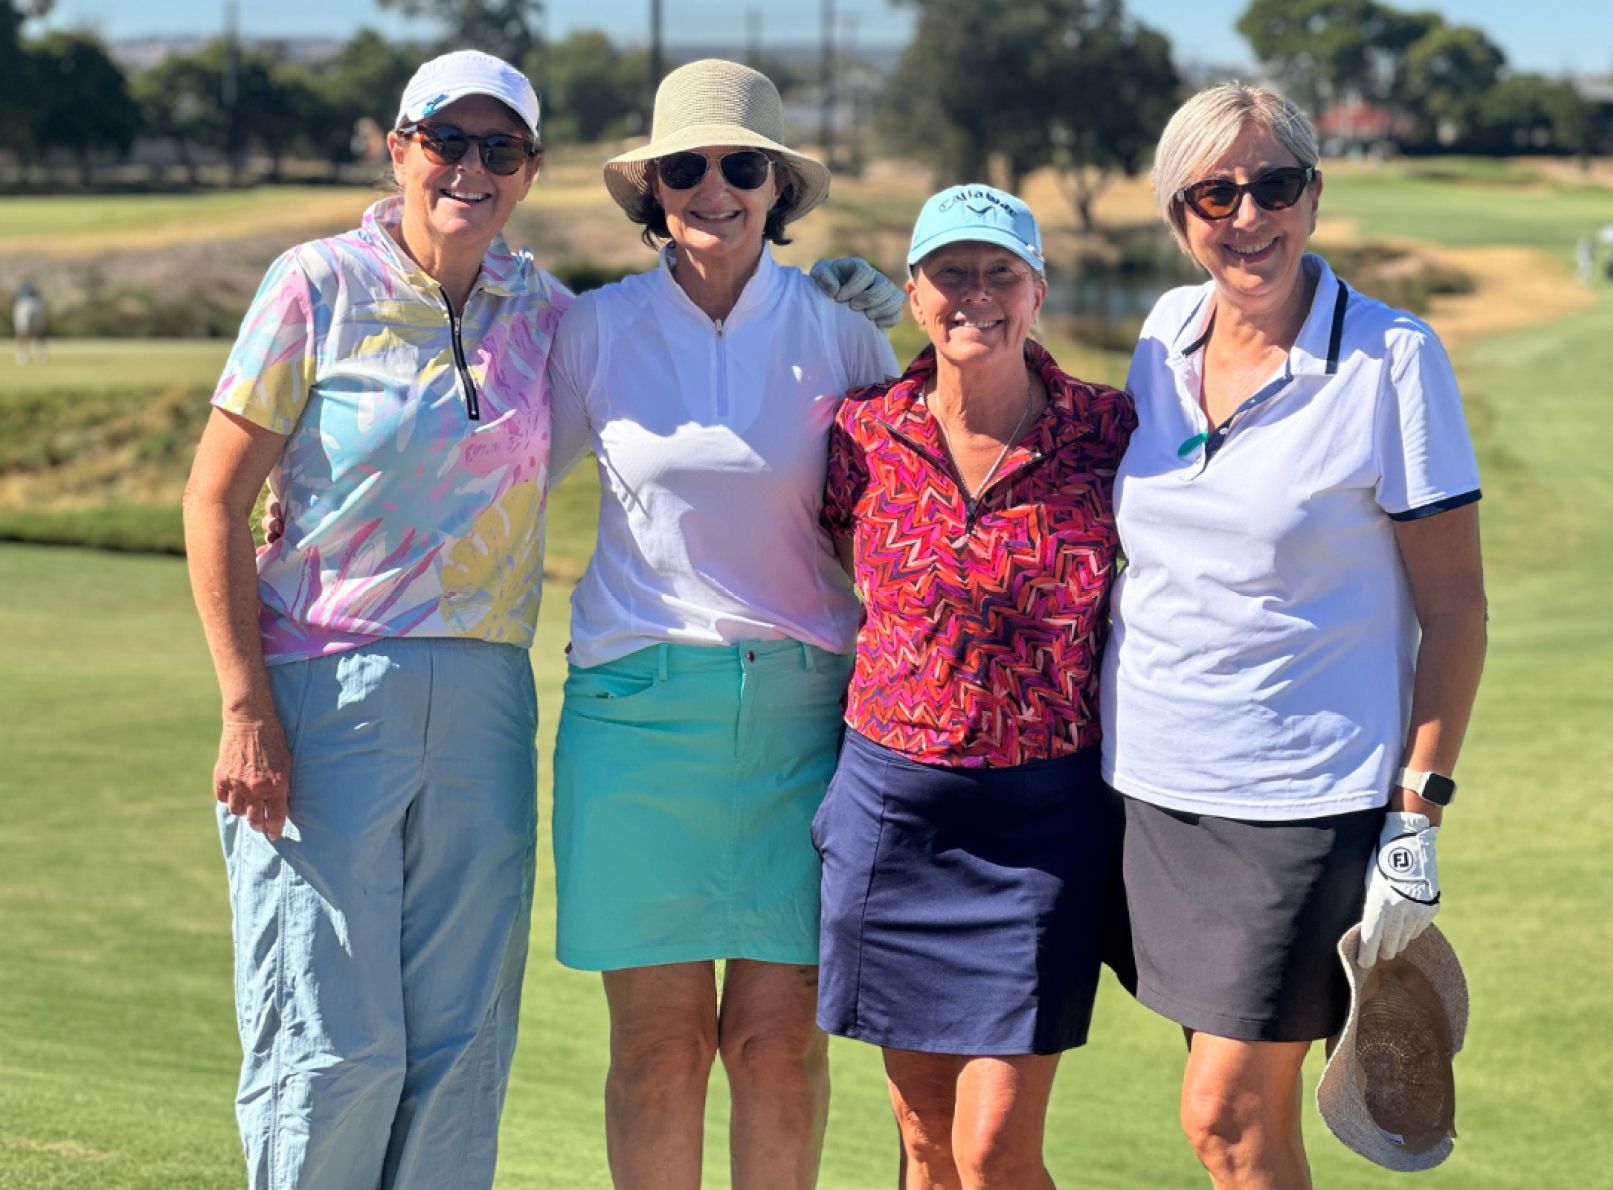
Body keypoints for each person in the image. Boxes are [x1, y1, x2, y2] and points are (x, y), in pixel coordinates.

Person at [184, 51, 568, 1188]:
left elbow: (679, 348)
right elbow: (213, 499)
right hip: (323, 691)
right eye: (445, 141)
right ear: (398, 151)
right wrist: (245, 705)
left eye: (499, 148)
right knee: (330, 1044)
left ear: (529, 169)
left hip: (487, 698)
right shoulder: (317, 284)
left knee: (461, 1044)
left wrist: (830, 302)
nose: (469, 168)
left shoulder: (547, 311)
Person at [1101, 83, 1488, 1189]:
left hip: (1301, 803)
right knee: (1251, 1124)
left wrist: (1416, 815)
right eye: (1214, 194)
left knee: (1223, 1116)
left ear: (1313, 197)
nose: (1248, 216)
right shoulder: (1162, 336)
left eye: (1274, 185)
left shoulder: (1392, 356)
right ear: (1178, 215)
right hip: (1149, 789)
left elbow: (1456, 608)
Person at [545, 59, 901, 1190]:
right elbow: (493, 477)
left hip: (804, 722)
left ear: (776, 187)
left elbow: (903, 522)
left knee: (776, 1046)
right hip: (635, 722)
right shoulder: (595, 328)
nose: (714, 188)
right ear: (653, 189)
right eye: (686, 167)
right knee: (657, 1050)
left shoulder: (841, 333)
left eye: (742, 166)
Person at [816, 185, 1134, 1189]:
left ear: (1037, 291)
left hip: (1043, 823)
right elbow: (841, 562)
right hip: (893, 812)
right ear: (914, 295)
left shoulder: (1107, 429)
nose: (976, 295)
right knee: (924, 1139)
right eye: (950, 273)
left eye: (1002, 272)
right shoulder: (862, 431)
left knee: (992, 1148)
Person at [13, 279, 46, 363]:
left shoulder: (20, 291)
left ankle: (23, 354)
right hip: (36, 304)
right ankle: (40, 354)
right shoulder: (34, 291)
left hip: (24, 305)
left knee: (22, 331)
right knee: (37, 331)